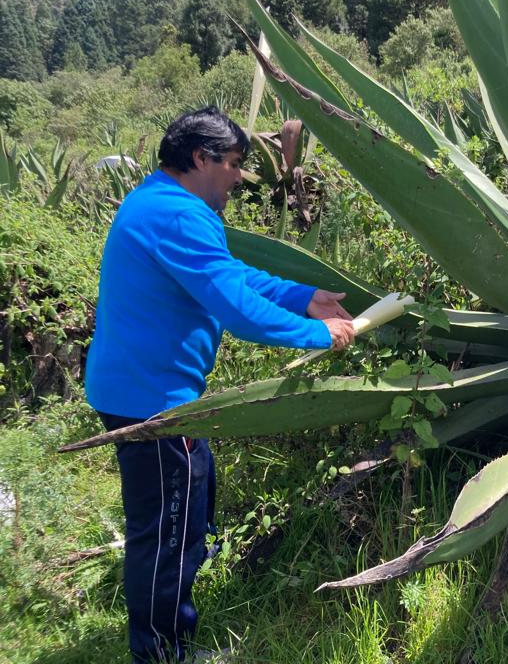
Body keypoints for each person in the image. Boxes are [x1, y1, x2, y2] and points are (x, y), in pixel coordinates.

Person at [84, 107, 355, 663]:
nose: (239, 176)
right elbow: (235, 307)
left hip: (144, 390)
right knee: (166, 532)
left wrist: (300, 295)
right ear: (200, 158)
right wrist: (316, 333)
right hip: (154, 402)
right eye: (232, 164)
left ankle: (169, 630)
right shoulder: (178, 216)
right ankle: (161, 652)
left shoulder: (160, 201)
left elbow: (228, 274)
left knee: (187, 508)